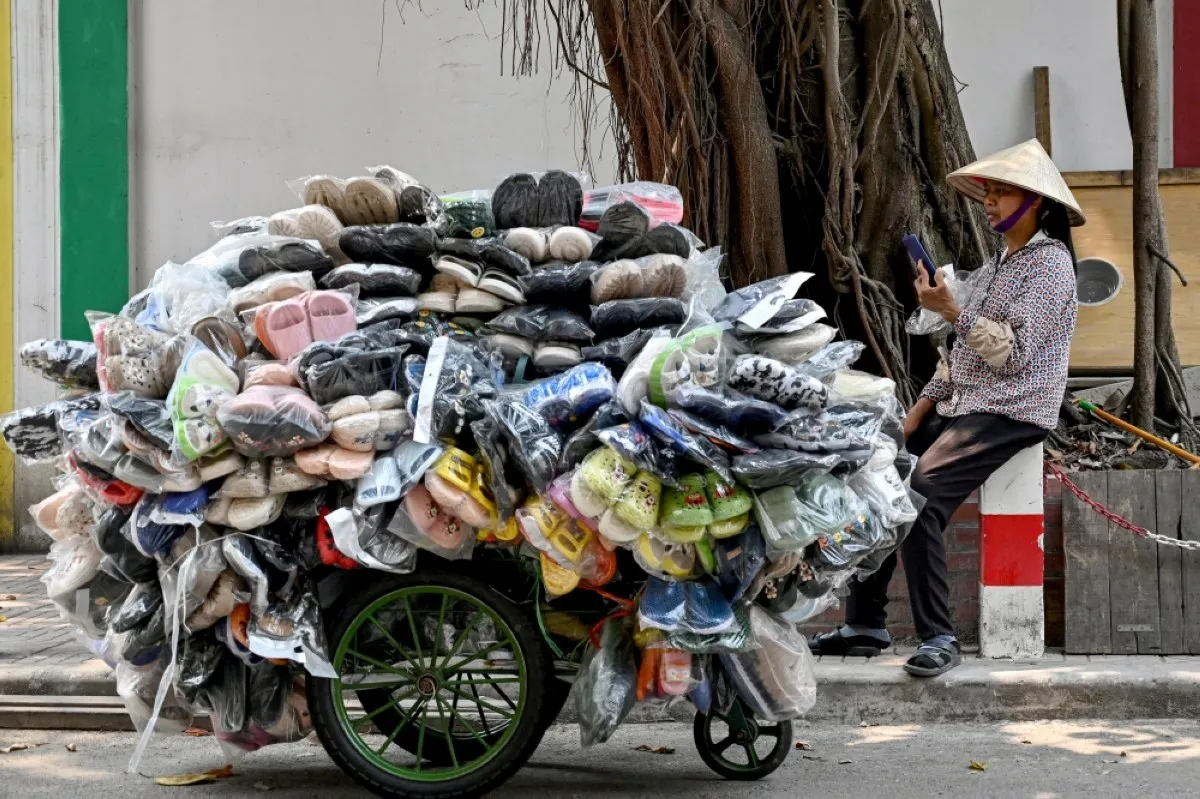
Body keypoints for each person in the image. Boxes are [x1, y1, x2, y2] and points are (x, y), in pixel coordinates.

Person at [809, 138, 1085, 677]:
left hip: (1012, 409)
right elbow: (959, 356)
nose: (989, 200)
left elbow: (1012, 357)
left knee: (920, 499)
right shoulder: (1002, 263)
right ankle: (865, 623)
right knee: (878, 479)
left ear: (1038, 204)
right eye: (989, 190)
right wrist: (915, 413)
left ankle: (939, 636)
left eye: (1003, 191)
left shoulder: (1050, 268)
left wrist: (953, 310)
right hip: (965, 403)